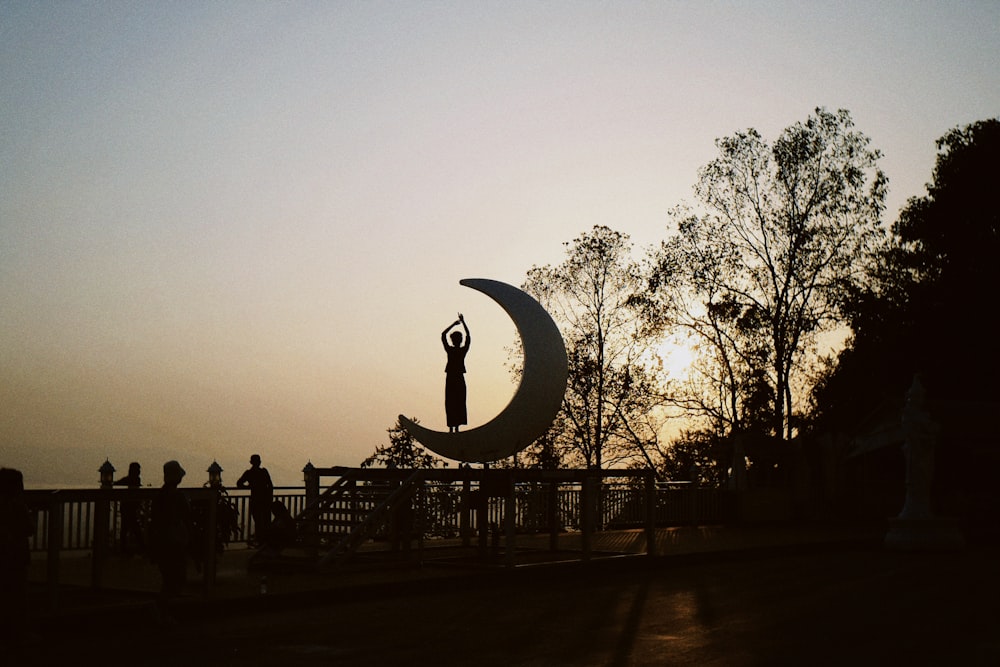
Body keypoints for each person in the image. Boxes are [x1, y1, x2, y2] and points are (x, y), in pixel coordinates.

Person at [148, 460, 191, 612]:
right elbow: (186, 515)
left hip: (162, 541)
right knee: (176, 578)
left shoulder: (160, 496)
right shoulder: (178, 496)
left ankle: (163, 610)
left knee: (169, 578)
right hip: (174, 542)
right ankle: (161, 609)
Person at [0, 468, 33, 648]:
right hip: (17, 556)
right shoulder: (18, 505)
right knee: (19, 596)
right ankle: (20, 634)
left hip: (4, 556)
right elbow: (29, 528)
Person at [442, 313, 471, 433]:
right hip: (455, 377)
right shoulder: (458, 350)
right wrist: (462, 323)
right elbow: (469, 336)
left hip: (455, 377)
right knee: (453, 400)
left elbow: (443, 335)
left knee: (456, 400)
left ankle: (454, 427)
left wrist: (454, 324)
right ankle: (454, 427)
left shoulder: (454, 350)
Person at [237, 455, 273, 545]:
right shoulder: (263, 472)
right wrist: (269, 497)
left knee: (258, 521)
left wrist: (248, 487)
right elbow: (270, 485)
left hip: (255, 500)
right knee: (265, 521)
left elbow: (239, 483)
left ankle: (260, 540)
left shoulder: (249, 473)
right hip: (265, 500)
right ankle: (265, 541)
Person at [113, 461, 144, 554]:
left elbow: (117, 484)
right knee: (134, 530)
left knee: (126, 530)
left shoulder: (129, 479)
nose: (139, 471)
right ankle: (143, 549)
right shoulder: (135, 480)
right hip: (129, 509)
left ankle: (125, 550)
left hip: (127, 508)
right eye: (138, 469)